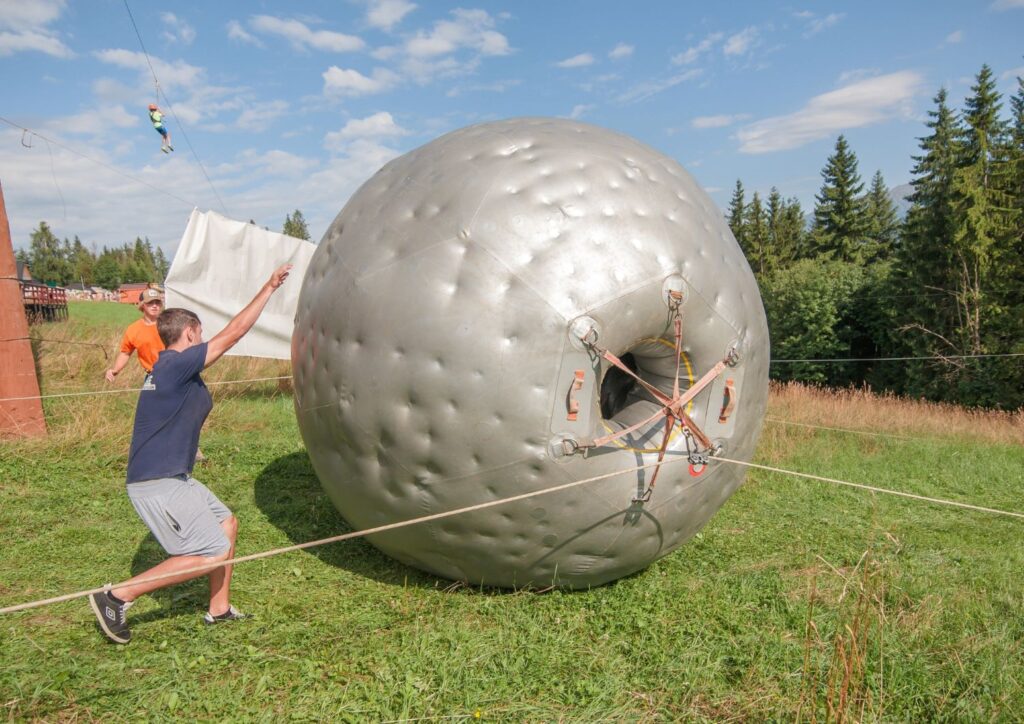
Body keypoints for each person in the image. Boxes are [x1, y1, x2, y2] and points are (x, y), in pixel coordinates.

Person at [89, 264, 292, 644]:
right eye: (200, 333)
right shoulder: (177, 364)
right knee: (212, 550)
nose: (204, 340)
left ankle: (219, 608)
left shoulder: (168, 369)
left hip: (174, 476)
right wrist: (268, 287)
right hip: (158, 482)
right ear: (189, 333)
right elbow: (233, 335)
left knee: (225, 524)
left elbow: (169, 416)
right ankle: (116, 596)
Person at [105, 288, 166, 387]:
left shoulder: (169, 324)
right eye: (150, 302)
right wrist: (115, 370)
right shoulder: (133, 329)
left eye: (157, 302)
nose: (155, 305)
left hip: (174, 374)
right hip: (151, 376)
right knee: (147, 402)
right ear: (142, 305)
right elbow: (125, 353)